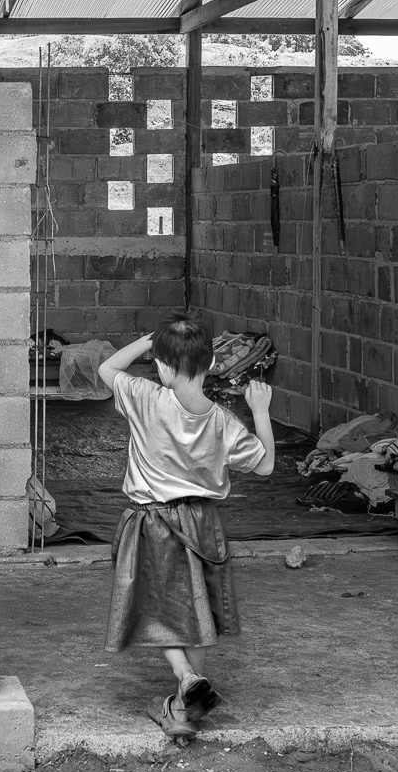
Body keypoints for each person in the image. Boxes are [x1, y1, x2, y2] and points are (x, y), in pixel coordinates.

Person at [98, 315, 275, 740]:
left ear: (160, 365)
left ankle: (183, 678)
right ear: (212, 361)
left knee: (153, 607)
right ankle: (182, 707)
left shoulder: (144, 396)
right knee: (197, 612)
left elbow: (107, 370)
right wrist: (260, 411)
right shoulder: (224, 423)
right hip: (202, 522)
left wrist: (145, 341)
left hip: (151, 522)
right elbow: (267, 464)